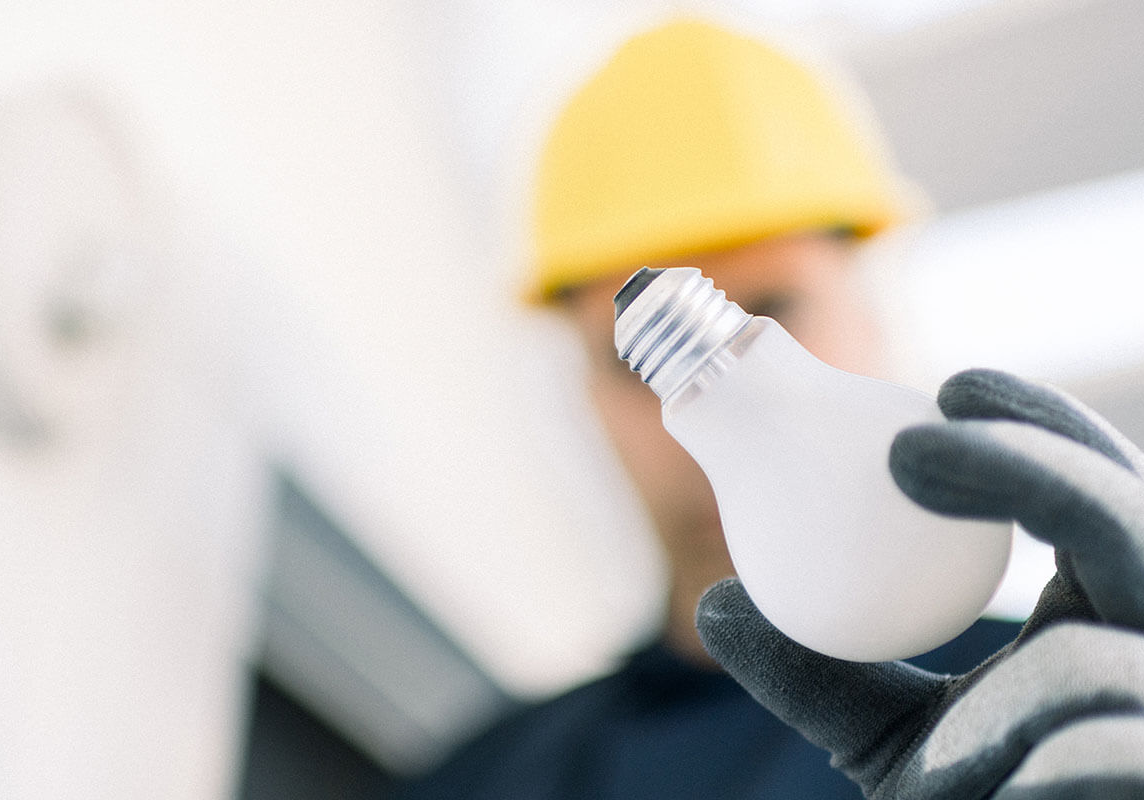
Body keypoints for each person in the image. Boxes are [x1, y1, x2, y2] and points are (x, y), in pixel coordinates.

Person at [397, 18, 1028, 799]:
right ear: (588, 396)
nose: (721, 413)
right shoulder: (479, 786)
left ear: (871, 312)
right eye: (644, 357)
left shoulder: (1074, 718)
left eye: (767, 314)